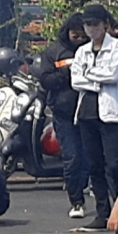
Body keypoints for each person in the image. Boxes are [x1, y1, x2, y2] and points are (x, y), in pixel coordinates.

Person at [68, 3, 118, 226]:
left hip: (112, 114)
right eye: (87, 25)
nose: (91, 29)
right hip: (87, 113)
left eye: (95, 24)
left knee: (114, 165)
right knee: (94, 165)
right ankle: (102, 212)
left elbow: (113, 75)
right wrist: (96, 78)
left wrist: (89, 76)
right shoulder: (82, 51)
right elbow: (75, 80)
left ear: (105, 24)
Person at [37, 16, 89, 219]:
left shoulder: (91, 49)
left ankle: (84, 186)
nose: (79, 39)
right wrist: (68, 74)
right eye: (75, 35)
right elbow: (45, 80)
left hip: (88, 112)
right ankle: (76, 201)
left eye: (83, 35)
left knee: (88, 158)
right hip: (64, 112)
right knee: (72, 156)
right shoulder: (54, 52)